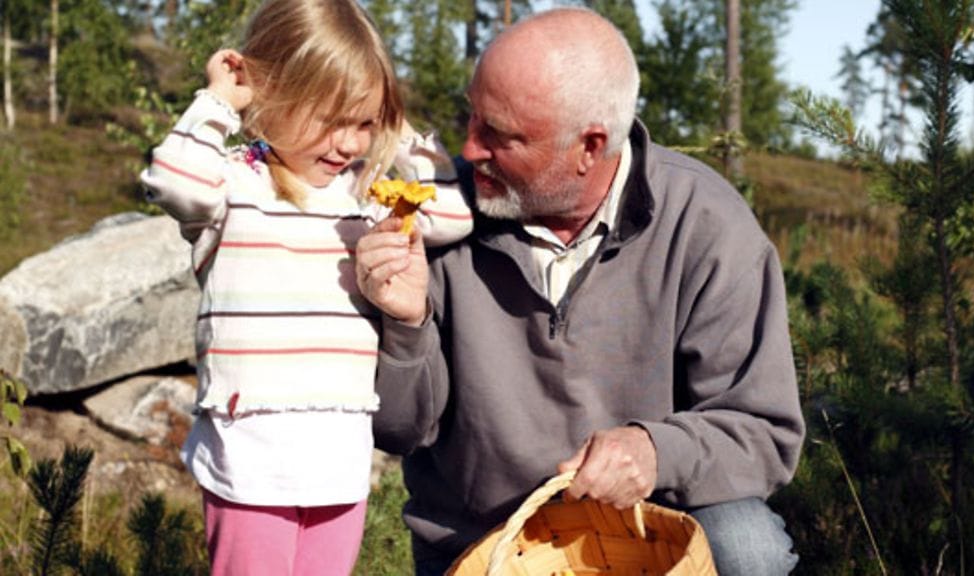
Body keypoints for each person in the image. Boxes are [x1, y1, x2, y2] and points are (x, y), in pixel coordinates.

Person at [355, 6, 805, 576]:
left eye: (499, 134)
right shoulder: (436, 217)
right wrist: (405, 324)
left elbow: (764, 433)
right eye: (472, 117)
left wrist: (654, 451)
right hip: (486, 543)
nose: (469, 150)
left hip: (647, 536)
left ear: (590, 147)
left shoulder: (707, 225)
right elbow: (397, 430)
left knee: (748, 548)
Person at [139, 0, 472, 573]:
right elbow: (175, 181)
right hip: (250, 459)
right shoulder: (233, 183)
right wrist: (220, 98)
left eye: (364, 123)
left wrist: (397, 130)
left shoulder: (366, 196)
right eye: (331, 119)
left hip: (338, 460)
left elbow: (452, 215)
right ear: (269, 91)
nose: (349, 143)